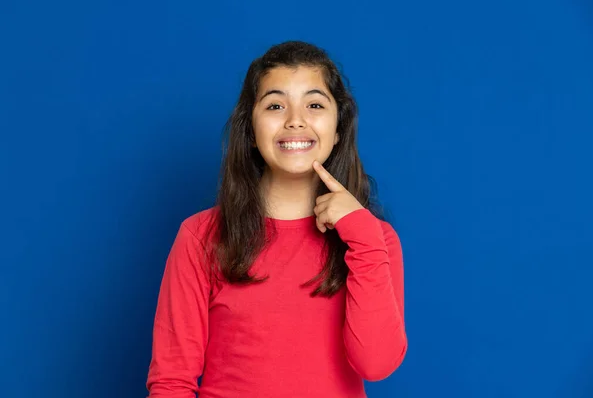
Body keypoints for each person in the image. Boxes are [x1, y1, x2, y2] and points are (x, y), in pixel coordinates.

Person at [146, 40, 407, 398]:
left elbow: (376, 365)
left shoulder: (375, 239)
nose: (295, 120)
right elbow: (171, 381)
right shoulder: (200, 236)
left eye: (314, 104)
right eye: (275, 105)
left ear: (339, 129)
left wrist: (361, 234)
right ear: (251, 131)